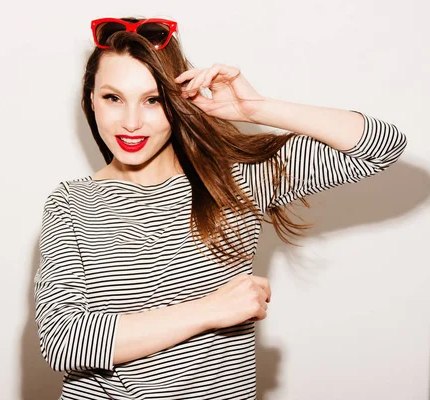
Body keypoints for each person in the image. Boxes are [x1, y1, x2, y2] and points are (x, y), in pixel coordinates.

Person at [33, 17, 408, 400]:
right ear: (90, 99)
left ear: (179, 101)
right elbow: (63, 343)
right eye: (114, 98)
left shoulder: (238, 181)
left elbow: (382, 145)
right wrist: (211, 309)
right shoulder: (71, 203)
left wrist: (256, 109)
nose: (131, 123)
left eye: (153, 100)